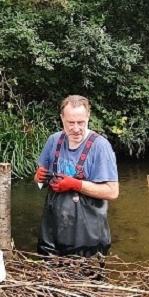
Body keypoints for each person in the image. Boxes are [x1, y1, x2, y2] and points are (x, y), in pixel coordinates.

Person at [34, 95, 119, 257]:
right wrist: (38, 177)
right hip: (53, 231)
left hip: (87, 234)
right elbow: (39, 180)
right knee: (49, 273)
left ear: (88, 117)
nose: (76, 128)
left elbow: (112, 192)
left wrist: (76, 185)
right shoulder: (53, 141)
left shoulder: (100, 146)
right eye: (70, 123)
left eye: (81, 122)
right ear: (62, 119)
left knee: (86, 277)